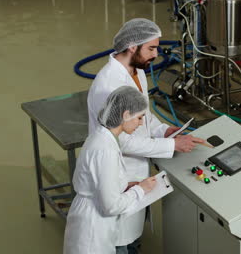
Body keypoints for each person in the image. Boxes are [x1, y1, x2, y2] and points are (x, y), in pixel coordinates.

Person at [87, 18, 204, 253]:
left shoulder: (136, 71)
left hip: (136, 170)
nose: (156, 54)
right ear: (132, 46)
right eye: (151, 48)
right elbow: (121, 139)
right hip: (119, 171)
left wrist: (163, 130)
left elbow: (144, 115)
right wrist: (171, 145)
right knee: (118, 239)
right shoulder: (109, 85)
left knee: (132, 235)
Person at [64, 86, 157, 254]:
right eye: (140, 117)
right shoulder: (106, 150)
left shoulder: (103, 136)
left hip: (91, 219)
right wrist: (140, 190)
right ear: (126, 115)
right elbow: (111, 206)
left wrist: (124, 186)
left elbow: (99, 181)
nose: (141, 123)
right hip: (93, 229)